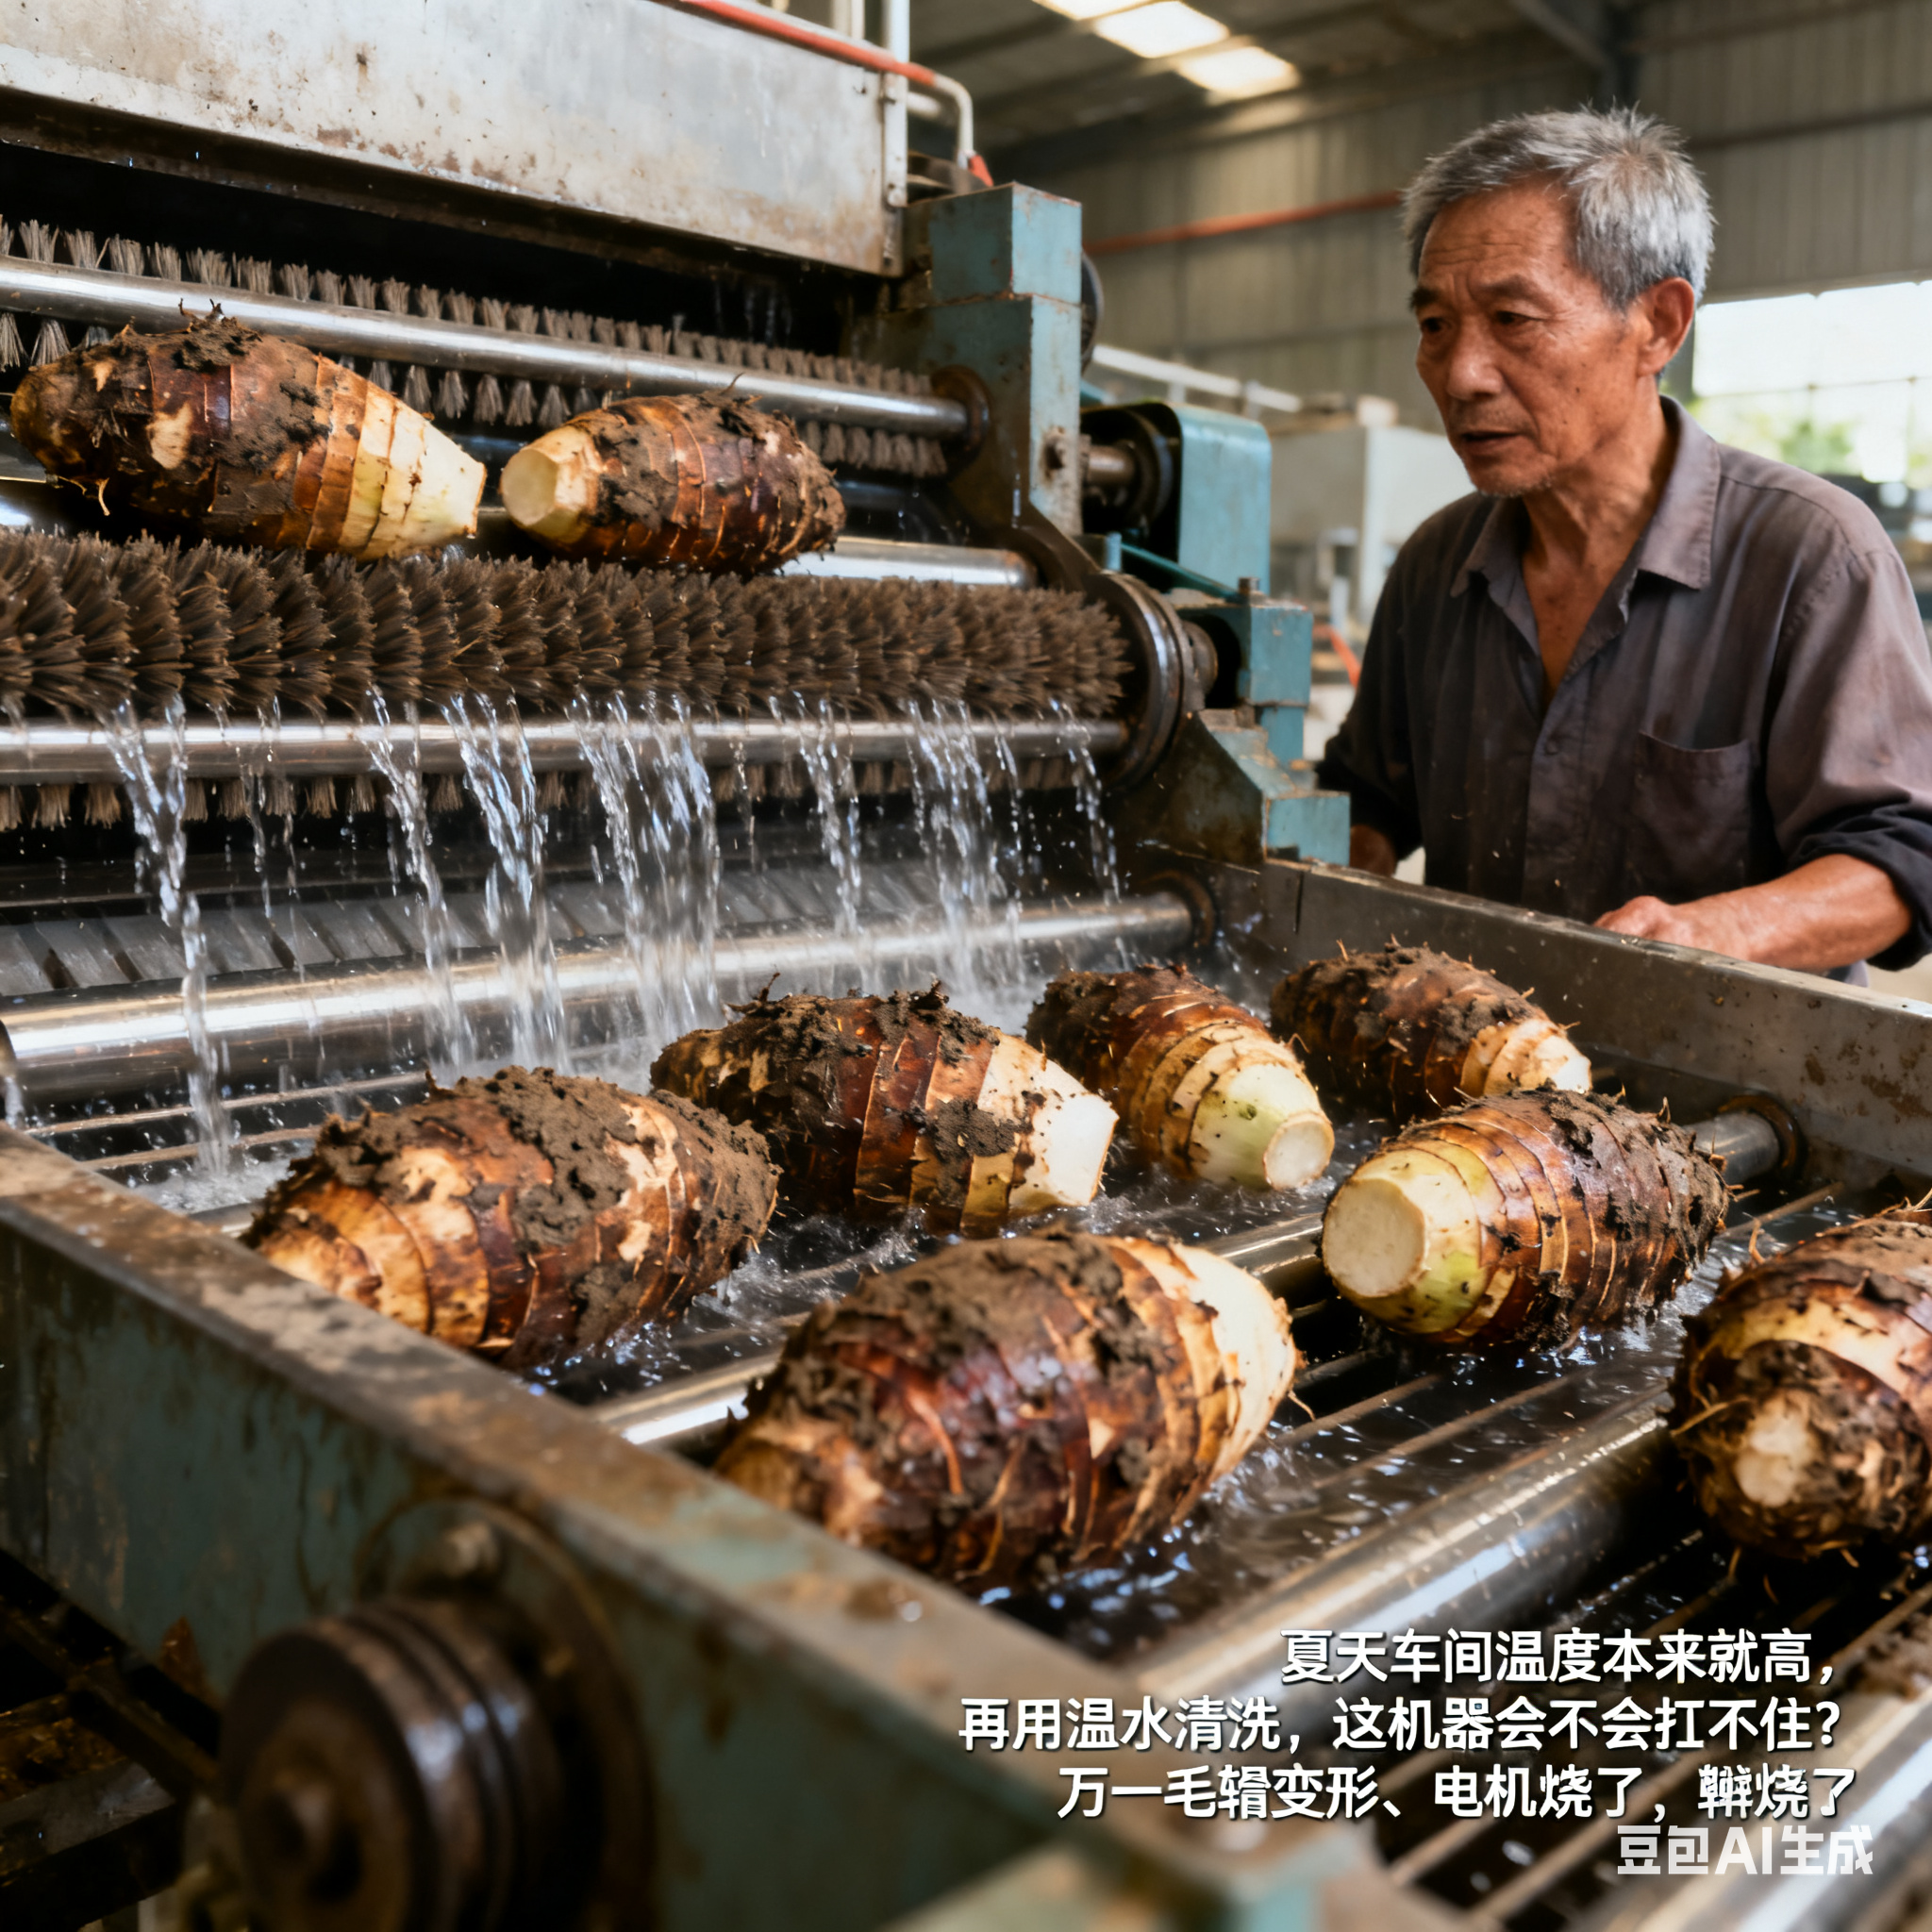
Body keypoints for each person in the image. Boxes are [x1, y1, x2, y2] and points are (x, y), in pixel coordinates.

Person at [1316, 108, 1932, 975]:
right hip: (1476, 1082)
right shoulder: (1436, 566)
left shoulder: (1812, 558)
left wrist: (1711, 936)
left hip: (1729, 1093)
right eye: (1435, 326)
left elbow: (1901, 856)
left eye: (1513, 319)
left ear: (1658, 326)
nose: (1460, 375)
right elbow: (1369, 796)